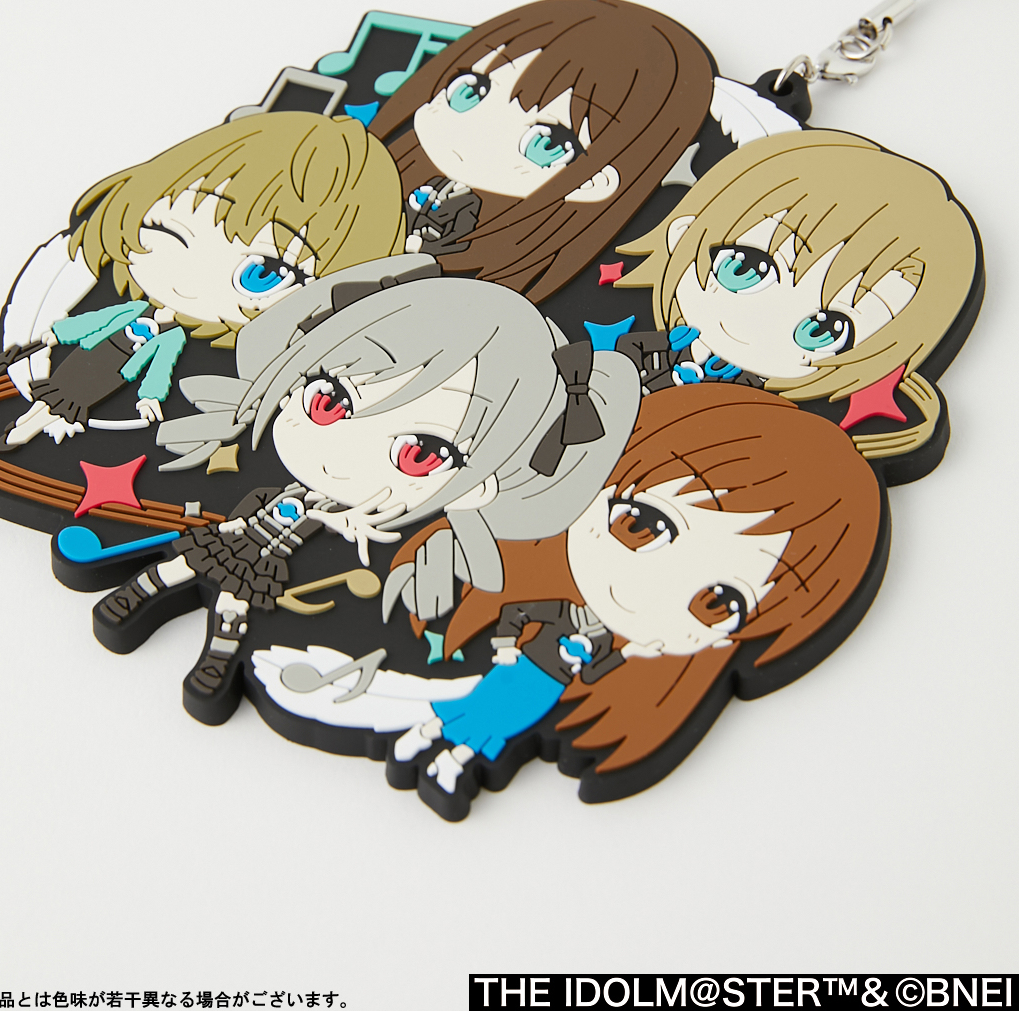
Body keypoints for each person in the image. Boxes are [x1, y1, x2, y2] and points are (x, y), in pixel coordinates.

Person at [253, 385, 881, 816]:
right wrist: (507, 646)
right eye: (641, 525)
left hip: (539, 690)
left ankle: (443, 747)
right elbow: (523, 616)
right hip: (518, 671)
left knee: (484, 725)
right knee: (471, 713)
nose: (646, 583)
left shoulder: (619, 660)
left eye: (718, 603)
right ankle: (427, 734)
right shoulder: (518, 577)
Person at [95, 256, 641, 720]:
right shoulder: (284, 492)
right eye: (329, 399)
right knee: (187, 566)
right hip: (245, 538)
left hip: (270, 563)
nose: (342, 456)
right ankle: (138, 595)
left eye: (420, 454)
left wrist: (347, 522)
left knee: (236, 601)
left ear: (478, 489)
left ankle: (217, 655)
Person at [0, 111, 406, 450]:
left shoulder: (175, 339)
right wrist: (53, 336)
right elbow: (91, 323)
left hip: (106, 381)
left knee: (63, 406)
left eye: (262, 274)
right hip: (83, 361)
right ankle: (25, 428)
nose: (192, 280)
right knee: (53, 399)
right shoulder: (131, 309)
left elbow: (160, 368)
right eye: (168, 233)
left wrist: (150, 398)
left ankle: (29, 429)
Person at [614, 130, 980, 459]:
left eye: (823, 330)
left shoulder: (768, 423)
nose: (763, 322)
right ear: (683, 234)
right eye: (744, 269)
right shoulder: (635, 352)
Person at [368, 0, 716, 304]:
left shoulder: (494, 288)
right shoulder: (367, 178)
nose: (477, 131)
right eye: (471, 89)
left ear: (595, 181)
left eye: (545, 141)